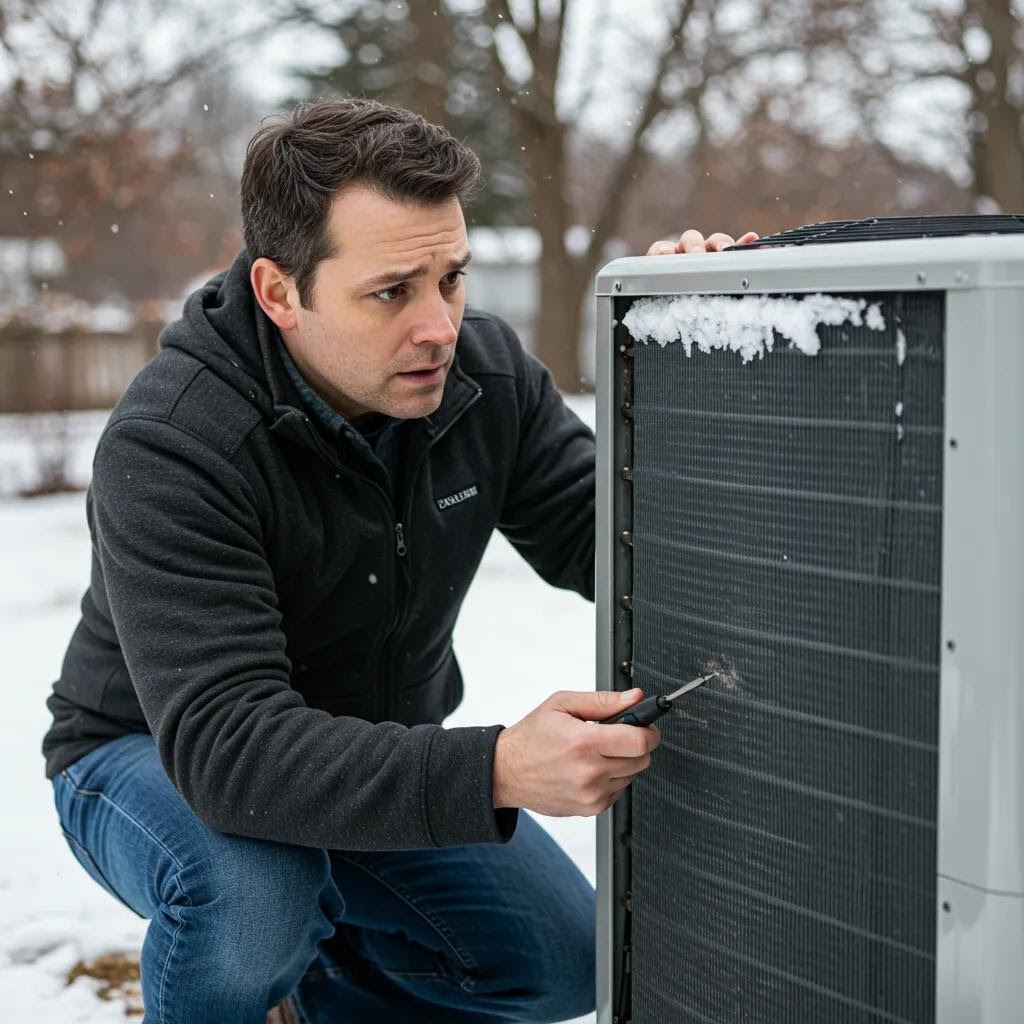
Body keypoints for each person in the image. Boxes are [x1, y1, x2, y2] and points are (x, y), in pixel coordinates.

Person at [42, 97, 757, 1023]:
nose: (439, 327)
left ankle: (315, 994)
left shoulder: (484, 381)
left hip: (373, 751)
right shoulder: (175, 444)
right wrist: (496, 769)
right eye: (392, 292)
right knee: (256, 898)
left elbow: (622, 551)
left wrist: (702, 369)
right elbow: (228, 751)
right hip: (150, 757)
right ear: (278, 292)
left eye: (451, 279)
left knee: (566, 961)